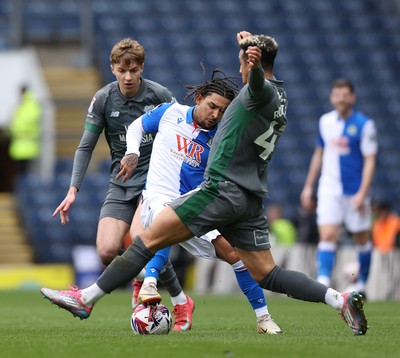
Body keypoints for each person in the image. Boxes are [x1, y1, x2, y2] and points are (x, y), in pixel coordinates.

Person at [41, 32, 368, 336]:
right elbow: (258, 83)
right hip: (250, 198)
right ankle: (340, 301)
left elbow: (255, 83)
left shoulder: (259, 89)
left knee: (146, 240)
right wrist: (252, 52)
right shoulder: (280, 96)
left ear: (252, 64)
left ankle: (86, 299)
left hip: (220, 190)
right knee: (268, 273)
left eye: (244, 63)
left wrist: (250, 64)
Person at [123, 66, 281, 333]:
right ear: (198, 99)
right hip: (159, 196)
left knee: (234, 254)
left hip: (195, 205)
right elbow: (137, 126)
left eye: (222, 110)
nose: (216, 114)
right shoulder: (169, 113)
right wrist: (133, 152)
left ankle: (264, 318)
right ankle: (149, 283)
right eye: (212, 106)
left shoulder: (221, 138)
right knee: (162, 223)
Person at [51, 38, 193, 327]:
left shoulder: (160, 95)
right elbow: (85, 146)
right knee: (105, 250)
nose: (127, 76)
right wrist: (72, 189)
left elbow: (184, 134)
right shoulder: (103, 98)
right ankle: (175, 296)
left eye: (133, 70)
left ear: (141, 68)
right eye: (121, 70)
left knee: (144, 242)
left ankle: (174, 301)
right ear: (112, 68)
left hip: (154, 184)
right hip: (120, 182)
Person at [300, 78, 378, 296]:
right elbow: (319, 153)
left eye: (345, 95)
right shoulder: (325, 122)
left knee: (361, 237)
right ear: (332, 97)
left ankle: (361, 283)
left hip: (355, 191)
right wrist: (308, 186)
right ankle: (323, 282)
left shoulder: (364, 125)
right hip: (329, 188)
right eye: (337, 95)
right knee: (327, 234)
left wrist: (363, 192)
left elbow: (370, 160)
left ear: (352, 98)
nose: (341, 99)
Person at [8, 85, 42, 180]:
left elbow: (28, 121)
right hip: (20, 146)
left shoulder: (31, 104)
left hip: (28, 146)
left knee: (27, 175)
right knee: (20, 174)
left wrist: (17, 124)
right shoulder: (21, 105)